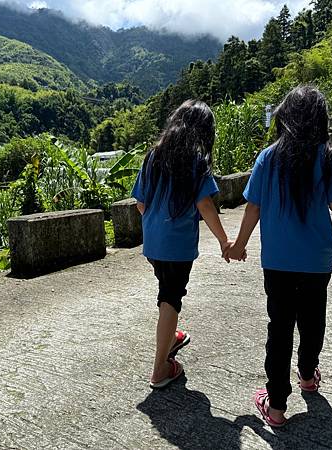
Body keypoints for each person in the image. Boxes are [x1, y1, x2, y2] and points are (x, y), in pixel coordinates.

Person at [226, 86, 332, 427]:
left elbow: (253, 207)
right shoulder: (331, 158)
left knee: (279, 328)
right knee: (313, 320)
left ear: (286, 116)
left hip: (278, 260)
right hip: (317, 259)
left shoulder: (268, 157)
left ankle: (276, 406)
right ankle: (308, 375)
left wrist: (238, 245)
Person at [132, 100, 241, 389]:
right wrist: (224, 240)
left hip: (153, 243)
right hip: (177, 246)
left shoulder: (154, 156)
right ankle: (160, 368)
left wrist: (157, 225)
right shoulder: (195, 161)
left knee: (166, 291)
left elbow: (141, 203)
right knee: (171, 298)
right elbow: (205, 204)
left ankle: (170, 337)